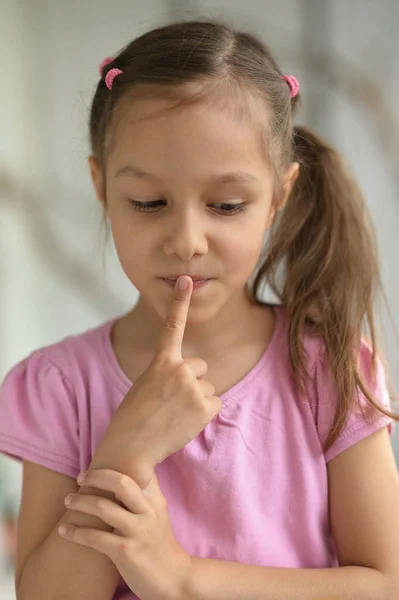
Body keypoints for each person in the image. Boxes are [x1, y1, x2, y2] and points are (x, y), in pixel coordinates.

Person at [0, 16, 398, 600]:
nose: (186, 238)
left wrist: (184, 579)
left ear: (278, 197)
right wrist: (126, 447)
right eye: (149, 201)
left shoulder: (331, 369)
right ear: (102, 187)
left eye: (228, 205)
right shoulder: (61, 385)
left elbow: (383, 583)